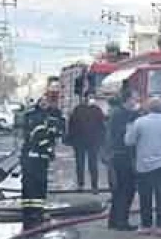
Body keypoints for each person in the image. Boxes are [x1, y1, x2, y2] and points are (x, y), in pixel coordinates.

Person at [125, 96, 161, 233]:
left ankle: (146, 225)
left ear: (148, 108)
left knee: (145, 196)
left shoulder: (139, 122)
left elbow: (129, 141)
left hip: (143, 165)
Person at [20, 78, 65, 222]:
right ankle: (35, 212)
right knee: (36, 185)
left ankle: (30, 211)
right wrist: (50, 150)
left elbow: (56, 132)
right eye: (44, 101)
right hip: (36, 157)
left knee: (31, 185)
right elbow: (41, 138)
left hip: (34, 157)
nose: (46, 104)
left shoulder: (42, 116)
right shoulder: (38, 118)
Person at [106, 91, 141, 231]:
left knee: (119, 190)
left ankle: (114, 220)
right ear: (128, 100)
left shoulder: (118, 113)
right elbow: (126, 136)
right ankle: (121, 221)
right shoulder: (122, 115)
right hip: (122, 156)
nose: (137, 101)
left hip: (118, 155)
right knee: (126, 189)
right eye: (135, 99)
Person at [67, 94, 107, 193]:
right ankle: (80, 184)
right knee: (80, 164)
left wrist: (101, 140)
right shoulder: (78, 109)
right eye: (88, 97)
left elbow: (102, 126)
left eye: (92, 97)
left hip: (93, 141)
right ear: (84, 99)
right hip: (80, 141)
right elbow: (71, 125)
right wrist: (71, 139)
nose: (90, 100)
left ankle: (94, 186)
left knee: (93, 164)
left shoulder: (97, 110)